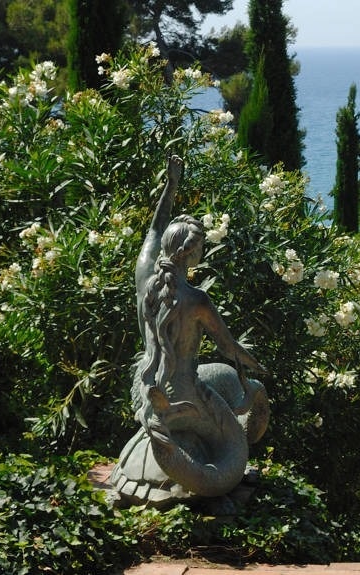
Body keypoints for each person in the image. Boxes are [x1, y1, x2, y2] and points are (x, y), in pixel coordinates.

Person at [112, 156, 267, 507]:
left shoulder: (146, 280)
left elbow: (153, 232)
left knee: (220, 375)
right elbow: (229, 348)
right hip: (187, 397)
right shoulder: (197, 301)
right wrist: (254, 366)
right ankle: (193, 468)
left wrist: (171, 186)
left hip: (146, 387)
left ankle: (157, 428)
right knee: (235, 444)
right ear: (192, 253)